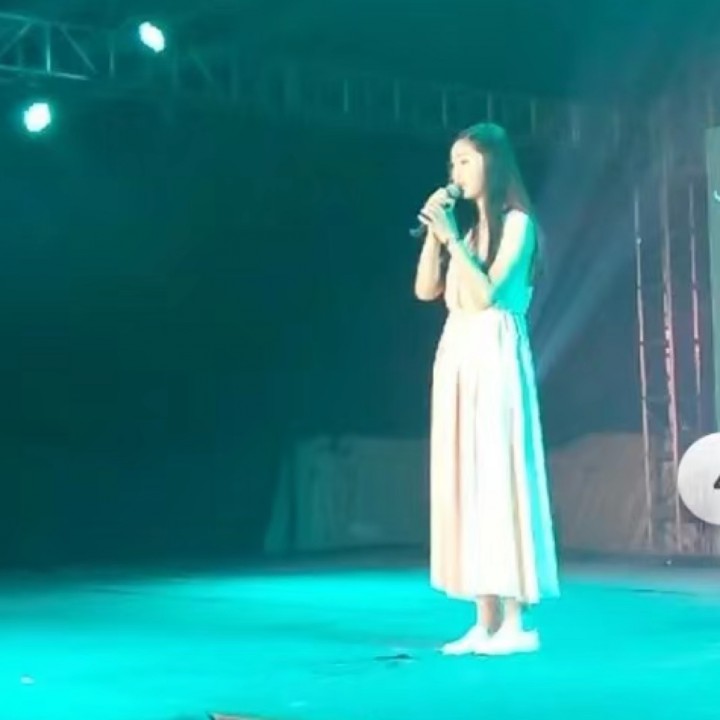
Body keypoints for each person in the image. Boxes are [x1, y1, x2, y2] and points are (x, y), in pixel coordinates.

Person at [413, 122, 560, 656]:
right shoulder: (470, 232)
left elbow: (486, 295)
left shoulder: (518, 225)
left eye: (466, 161)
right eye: (452, 162)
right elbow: (425, 290)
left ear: (493, 165)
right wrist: (438, 236)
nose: (456, 172)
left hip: (495, 352)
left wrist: (453, 239)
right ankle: (484, 617)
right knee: (467, 480)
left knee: (499, 477)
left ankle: (516, 621)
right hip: (458, 353)